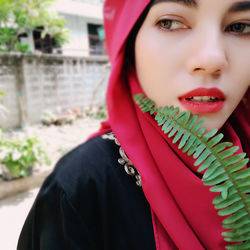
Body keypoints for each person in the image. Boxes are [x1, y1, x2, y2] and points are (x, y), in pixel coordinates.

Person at [18, 0, 249, 249]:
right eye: (170, 23)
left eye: (240, 27)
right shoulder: (81, 190)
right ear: (128, 40)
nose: (213, 59)